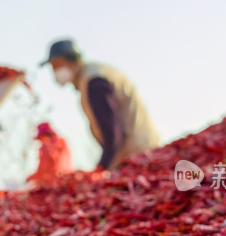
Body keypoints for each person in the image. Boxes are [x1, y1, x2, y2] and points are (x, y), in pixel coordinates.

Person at [40, 39, 160, 170]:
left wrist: (101, 167)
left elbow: (113, 133)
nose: (54, 71)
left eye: (57, 65)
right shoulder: (90, 76)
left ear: (72, 59)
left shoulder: (94, 82)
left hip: (139, 155)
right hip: (136, 153)